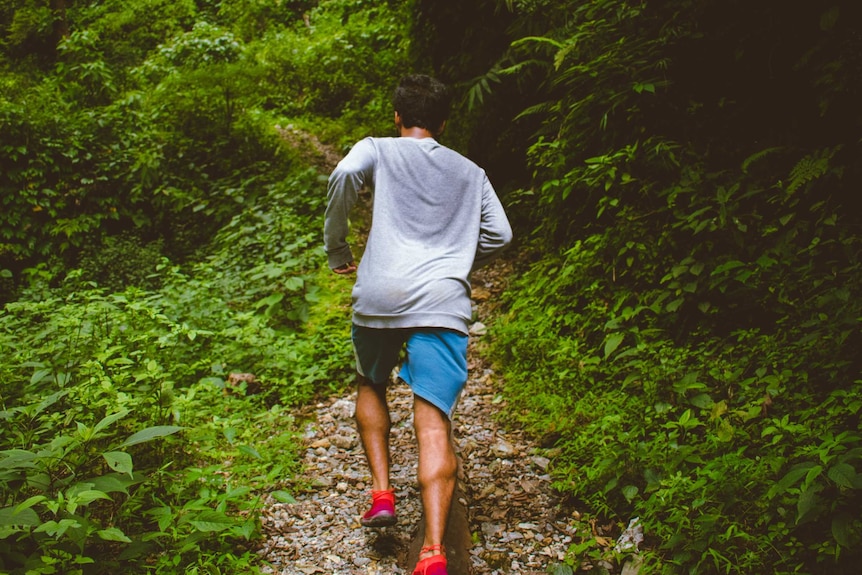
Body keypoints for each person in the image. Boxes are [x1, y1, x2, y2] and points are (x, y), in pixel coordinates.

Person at [324, 74, 512, 575]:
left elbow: (343, 175)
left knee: (371, 381)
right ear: (445, 121)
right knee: (433, 422)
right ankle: (432, 552)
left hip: (380, 294)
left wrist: (337, 248)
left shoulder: (377, 148)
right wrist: (457, 261)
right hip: (442, 300)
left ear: (397, 116)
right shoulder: (471, 171)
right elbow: (502, 234)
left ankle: (382, 493)